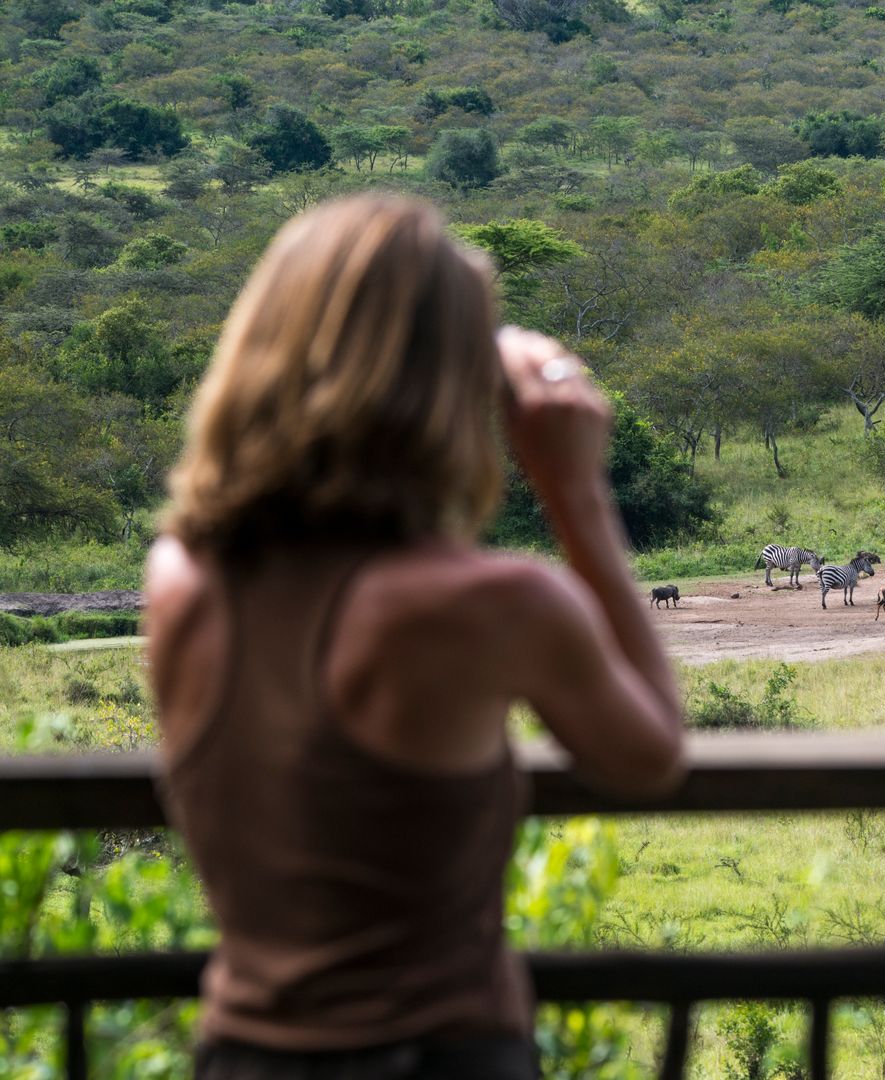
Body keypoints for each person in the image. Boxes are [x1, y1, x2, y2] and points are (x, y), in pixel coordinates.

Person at [142, 194, 686, 1079]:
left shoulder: (180, 581)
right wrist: (575, 496)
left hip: (243, 1051)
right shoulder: (490, 600)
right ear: (453, 389)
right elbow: (649, 755)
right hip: (443, 1051)